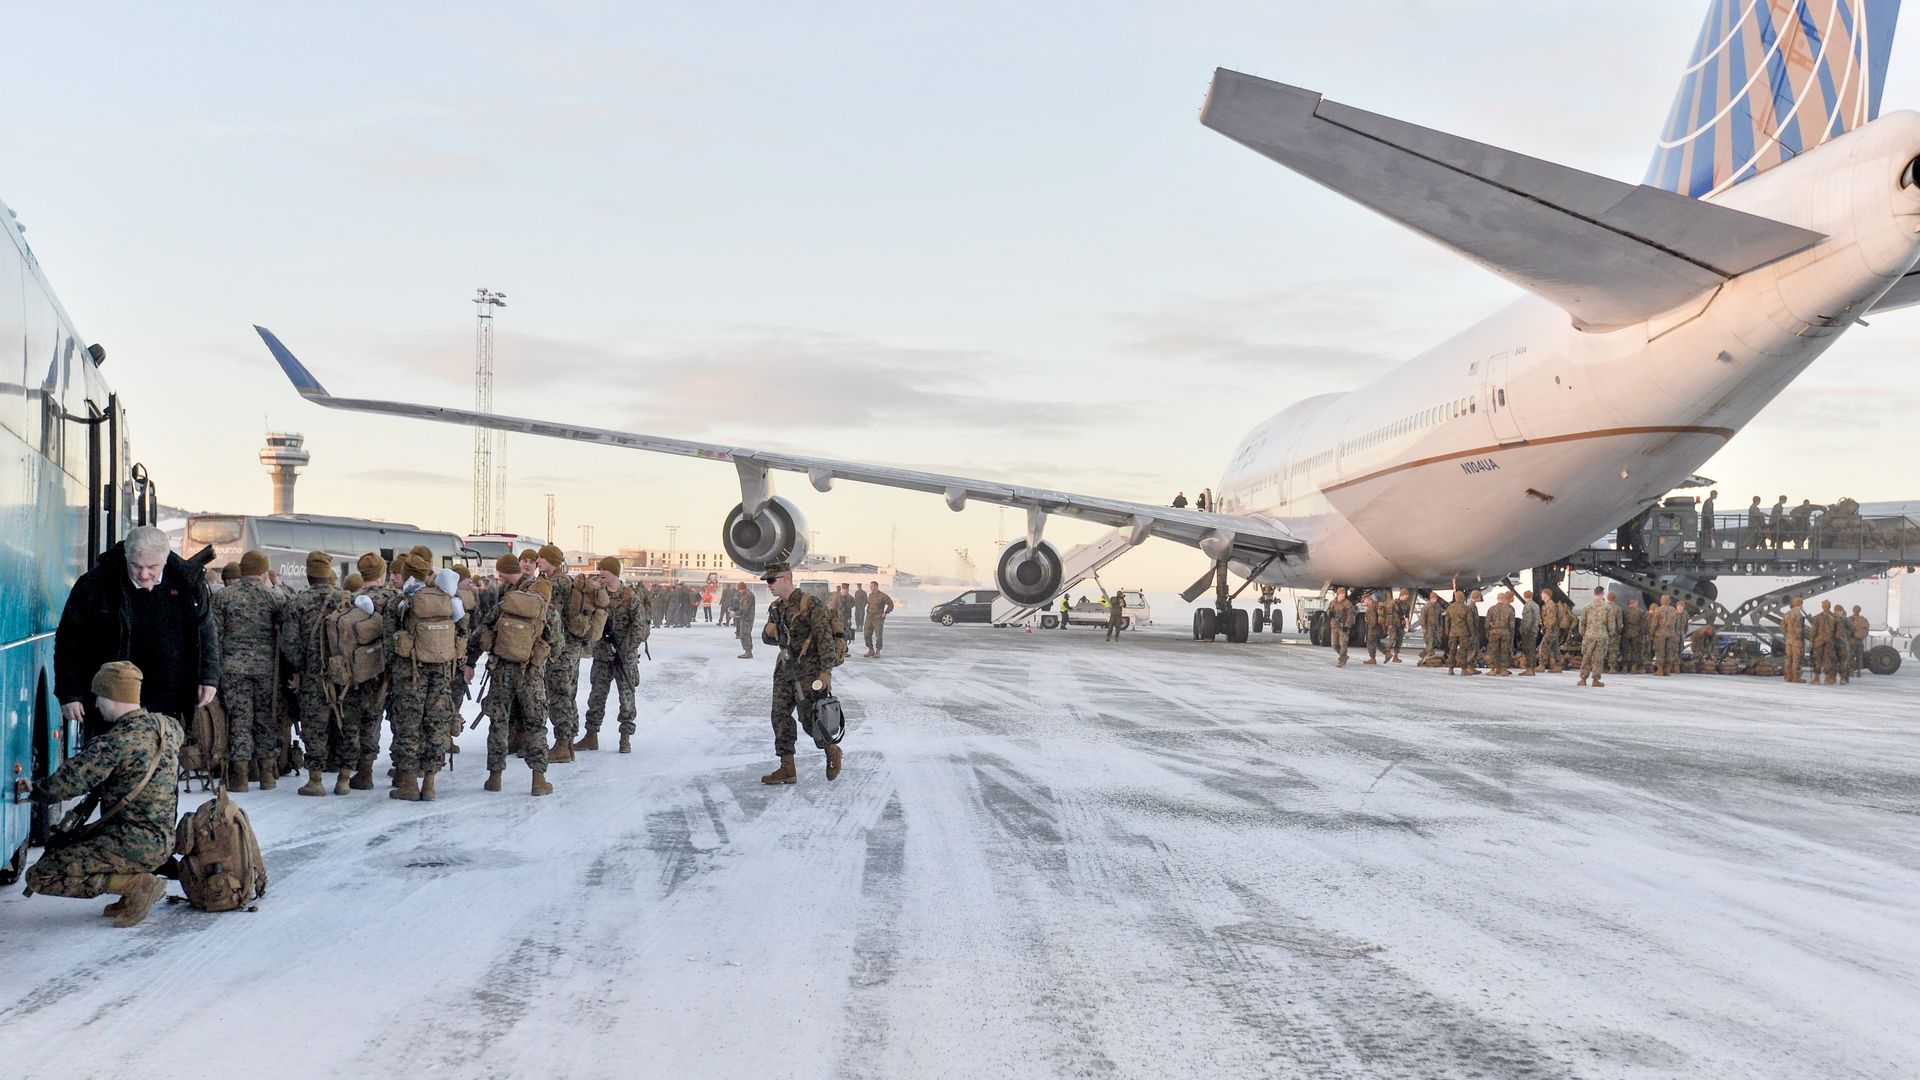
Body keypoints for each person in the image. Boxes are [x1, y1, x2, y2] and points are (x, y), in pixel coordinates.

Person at [23, 662, 182, 928]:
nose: (96, 704)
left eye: (99, 697)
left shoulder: (114, 743)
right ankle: (134, 886)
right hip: (163, 840)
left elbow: (67, 784)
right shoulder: (169, 727)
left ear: (113, 696)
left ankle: (136, 885)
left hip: (131, 842)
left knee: (41, 875)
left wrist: (33, 789)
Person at [55, 524, 219, 746]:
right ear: (126, 556)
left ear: (165, 559)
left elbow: (205, 632)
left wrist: (208, 677)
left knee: (160, 766)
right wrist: (70, 693)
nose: (143, 574)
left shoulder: (187, 583)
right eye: (136, 566)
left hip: (168, 699)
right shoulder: (95, 584)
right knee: (114, 765)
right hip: (112, 700)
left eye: (152, 567)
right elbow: (69, 641)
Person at [468, 555, 557, 796]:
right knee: (536, 724)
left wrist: (469, 662)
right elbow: (557, 646)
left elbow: (480, 634)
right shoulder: (547, 612)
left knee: (498, 722)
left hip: (501, 672)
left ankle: (495, 777)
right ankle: (539, 780)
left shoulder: (505, 605)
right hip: (531, 675)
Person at [386, 556, 464, 801]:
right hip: (441, 673)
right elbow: (462, 630)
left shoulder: (401, 601)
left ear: (407, 573)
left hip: (410, 672)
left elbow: (390, 641)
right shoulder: (446, 599)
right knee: (436, 725)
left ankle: (408, 783)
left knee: (408, 725)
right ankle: (429, 784)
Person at [211, 550, 286, 791]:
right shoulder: (275, 597)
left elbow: (215, 638)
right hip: (266, 671)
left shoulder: (223, 597)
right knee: (265, 719)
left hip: (232, 670)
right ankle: (267, 775)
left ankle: (240, 776)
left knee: (239, 720)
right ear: (264, 571)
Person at [760, 562, 840, 785]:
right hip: (785, 671)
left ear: (786, 579)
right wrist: (770, 632)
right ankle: (787, 767)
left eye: (771, 580)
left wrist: (826, 673)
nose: (769, 585)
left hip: (809, 673)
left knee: (809, 720)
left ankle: (832, 750)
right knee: (779, 716)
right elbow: (767, 638)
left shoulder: (811, 605)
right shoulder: (776, 608)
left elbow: (825, 640)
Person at [281, 551, 352, 797]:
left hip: (314, 676)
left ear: (309, 575)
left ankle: (316, 780)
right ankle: (344, 780)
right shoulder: (347, 598)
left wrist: (300, 669)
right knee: (344, 723)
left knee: (315, 726)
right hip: (344, 676)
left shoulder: (298, 603)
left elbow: (289, 644)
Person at [341, 553, 398, 790]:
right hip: (383, 671)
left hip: (355, 670)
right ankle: (367, 771)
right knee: (374, 721)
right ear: (382, 573)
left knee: (352, 721)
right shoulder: (393, 599)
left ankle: (345, 776)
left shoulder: (348, 600)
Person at [580, 557, 648, 753]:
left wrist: (624, 650)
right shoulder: (596, 595)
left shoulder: (629, 596)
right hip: (602, 654)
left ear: (614, 573)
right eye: (599, 569)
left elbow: (639, 626)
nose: (600, 572)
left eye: (604, 570)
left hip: (624, 657)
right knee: (596, 697)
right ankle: (591, 736)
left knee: (626, 697)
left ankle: (625, 738)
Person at [537, 544, 585, 763]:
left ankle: (562, 744)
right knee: (568, 693)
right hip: (571, 647)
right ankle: (568, 741)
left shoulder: (556, 583)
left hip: (561, 648)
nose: (537, 561)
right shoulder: (566, 580)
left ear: (551, 561)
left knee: (558, 694)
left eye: (541, 559)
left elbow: (549, 615)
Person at [1577, 586, 1617, 687]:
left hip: (1589, 636)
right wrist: (1611, 634)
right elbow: (1611, 624)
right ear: (1602, 594)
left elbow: (1582, 622)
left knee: (1586, 657)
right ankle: (1595, 680)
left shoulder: (1587, 606)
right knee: (1598, 659)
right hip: (1601, 636)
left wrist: (1583, 633)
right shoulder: (1607, 607)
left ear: (1594, 593)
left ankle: (1583, 679)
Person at [1446, 591, 1477, 675]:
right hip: (1463, 633)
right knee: (1463, 651)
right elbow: (1470, 622)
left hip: (1452, 632)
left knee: (1452, 650)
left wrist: (1447, 631)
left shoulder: (1450, 607)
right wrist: (1472, 633)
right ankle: (1463, 669)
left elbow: (1447, 621)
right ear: (1463, 598)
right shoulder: (1466, 608)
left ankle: (1450, 669)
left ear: (1455, 598)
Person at [1485, 591, 1516, 675]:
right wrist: (1511, 633)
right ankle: (1504, 669)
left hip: (1494, 632)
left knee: (1493, 651)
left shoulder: (1491, 609)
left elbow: (1487, 623)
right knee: (1504, 651)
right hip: (1505, 632)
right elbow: (1512, 625)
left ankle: (1492, 669)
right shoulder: (1510, 609)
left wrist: (1488, 632)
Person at [1781, 596, 1808, 684]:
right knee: (1797, 658)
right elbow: (1798, 628)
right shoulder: (1798, 613)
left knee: (1788, 658)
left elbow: (1782, 626)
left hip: (1789, 639)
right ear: (1800, 604)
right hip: (1796, 640)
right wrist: (1800, 638)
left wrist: (1787, 635)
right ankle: (1796, 677)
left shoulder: (1787, 613)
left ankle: (1788, 677)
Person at [864, 580, 894, 657]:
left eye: (872, 586)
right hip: (869, 617)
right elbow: (869, 605)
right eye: (870, 586)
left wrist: (886, 612)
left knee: (878, 635)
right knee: (867, 634)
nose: (871, 588)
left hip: (878, 618)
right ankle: (870, 650)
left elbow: (891, 604)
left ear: (876, 586)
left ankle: (878, 650)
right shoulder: (870, 595)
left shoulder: (882, 596)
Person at [1328, 592, 1355, 666]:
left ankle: (1342, 660)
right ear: (1338, 594)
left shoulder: (1347, 604)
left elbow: (1350, 616)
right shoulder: (1333, 602)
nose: (1343, 595)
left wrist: (1347, 626)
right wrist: (1329, 613)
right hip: (1334, 626)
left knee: (1343, 644)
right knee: (1334, 645)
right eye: (1341, 594)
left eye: (1344, 594)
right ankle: (1344, 656)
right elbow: (1328, 610)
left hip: (1343, 627)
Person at [1517, 589, 1540, 676]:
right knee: (1532, 650)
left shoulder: (1528, 606)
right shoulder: (1536, 605)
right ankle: (1532, 669)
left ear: (1524, 596)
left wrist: (1523, 630)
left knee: (1528, 650)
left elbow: (1527, 620)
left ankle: (1529, 669)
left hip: (1528, 632)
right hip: (1534, 630)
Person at [734, 581, 757, 659]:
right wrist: (736, 608)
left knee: (744, 634)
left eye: (739, 590)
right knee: (746, 634)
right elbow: (743, 606)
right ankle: (748, 651)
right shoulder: (745, 595)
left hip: (747, 618)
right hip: (745, 617)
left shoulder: (748, 595)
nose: (739, 592)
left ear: (742, 588)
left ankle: (748, 652)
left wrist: (736, 613)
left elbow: (745, 608)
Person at [1849, 604, 1869, 679]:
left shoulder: (1850, 619)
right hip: (1860, 642)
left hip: (1851, 641)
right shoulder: (1864, 620)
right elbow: (1867, 632)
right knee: (1859, 656)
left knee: (1851, 656)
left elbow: (1847, 630)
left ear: (1853, 610)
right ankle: (1859, 672)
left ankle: (1851, 671)